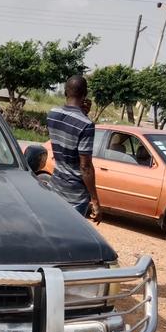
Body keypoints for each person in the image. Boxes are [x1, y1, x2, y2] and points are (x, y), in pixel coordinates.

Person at [47, 75, 102, 222]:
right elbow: (85, 167)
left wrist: (83, 114)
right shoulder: (86, 125)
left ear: (65, 93)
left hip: (55, 187)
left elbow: (69, 126)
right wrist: (95, 201)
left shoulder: (52, 114)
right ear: (85, 94)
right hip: (75, 197)